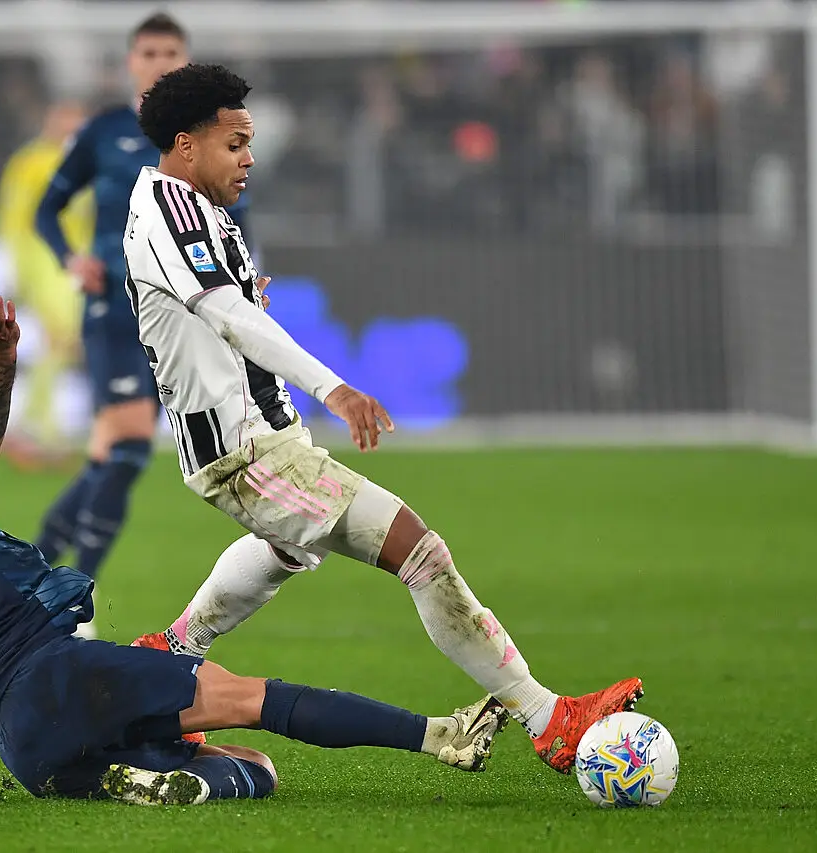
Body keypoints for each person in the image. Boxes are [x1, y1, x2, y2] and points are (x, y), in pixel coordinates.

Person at [120, 64, 643, 774]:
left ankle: (172, 655)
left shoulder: (199, 213)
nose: (249, 158)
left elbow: (223, 312)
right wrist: (332, 386)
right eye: (234, 142)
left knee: (286, 550)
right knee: (419, 551)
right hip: (245, 456)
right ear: (186, 145)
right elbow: (225, 313)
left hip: (260, 441)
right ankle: (549, 718)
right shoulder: (171, 211)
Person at [0, 296, 508, 805]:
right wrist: (2, 358)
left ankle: (136, 775)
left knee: (252, 770)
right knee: (252, 699)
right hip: (55, 678)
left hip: (22, 745)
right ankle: (441, 734)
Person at [32, 14, 252, 630]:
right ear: (132, 62)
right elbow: (47, 209)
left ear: (184, 60)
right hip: (113, 305)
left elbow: (238, 213)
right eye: (148, 52)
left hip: (179, 310)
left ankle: (33, 573)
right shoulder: (103, 131)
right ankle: (77, 599)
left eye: (170, 52)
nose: (158, 61)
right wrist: (70, 260)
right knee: (126, 445)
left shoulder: (207, 138)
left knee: (115, 456)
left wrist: (247, 276)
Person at [0, 100, 94, 462]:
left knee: (62, 345)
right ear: (51, 121)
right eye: (66, 120)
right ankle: (43, 432)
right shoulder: (30, 163)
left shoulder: (84, 163)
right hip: (40, 260)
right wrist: (16, 270)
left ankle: (24, 428)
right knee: (61, 338)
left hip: (73, 263)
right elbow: (11, 218)